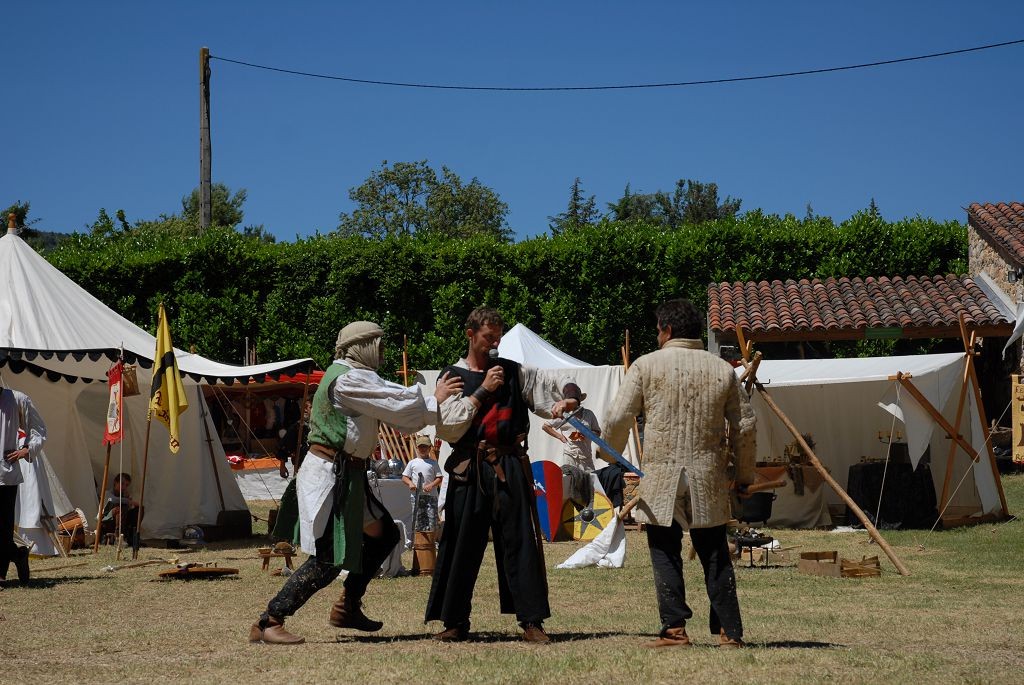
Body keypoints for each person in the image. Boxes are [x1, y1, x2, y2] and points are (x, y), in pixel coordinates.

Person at [249, 321, 462, 645]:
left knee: (384, 535)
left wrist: (427, 406)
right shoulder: (346, 379)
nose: (382, 351)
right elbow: (395, 402)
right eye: (378, 345)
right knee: (330, 556)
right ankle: (269, 620)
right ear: (361, 346)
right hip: (331, 476)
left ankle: (348, 606)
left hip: (348, 475)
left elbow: (393, 404)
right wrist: (434, 399)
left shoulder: (358, 376)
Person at [602, 299, 756, 649]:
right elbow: (745, 425)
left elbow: (617, 417)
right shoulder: (722, 369)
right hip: (707, 474)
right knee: (714, 551)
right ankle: (729, 632)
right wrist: (745, 475)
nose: (657, 336)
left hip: (662, 473)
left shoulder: (646, 365)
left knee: (665, 549)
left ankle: (674, 630)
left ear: (668, 330)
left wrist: (608, 453)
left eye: (658, 330)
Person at [426, 307, 579, 644]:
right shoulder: (452, 376)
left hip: (509, 464)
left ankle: (532, 621)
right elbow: (449, 428)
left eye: (498, 337)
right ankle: (454, 621)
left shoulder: (514, 371)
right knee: (461, 543)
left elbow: (553, 388)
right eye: (488, 337)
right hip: (470, 467)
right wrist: (482, 390)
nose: (495, 343)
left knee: (520, 540)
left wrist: (567, 398)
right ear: (470, 334)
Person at [0, 387, 46, 589]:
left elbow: (38, 428)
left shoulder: (17, 399)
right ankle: (18, 554)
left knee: (3, 528)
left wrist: (27, 449)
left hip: (5, 475)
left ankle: (2, 573)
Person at [541, 386, 601, 471]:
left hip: (586, 456)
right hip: (570, 455)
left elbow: (597, 432)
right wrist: (560, 437)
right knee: (570, 478)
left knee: (591, 478)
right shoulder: (563, 414)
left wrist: (587, 434)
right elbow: (545, 426)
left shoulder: (589, 414)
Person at [402, 434, 442, 534]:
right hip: (416, 497)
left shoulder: (433, 463)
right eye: (421, 447)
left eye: (425, 447)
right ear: (417, 448)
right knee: (418, 522)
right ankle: (419, 541)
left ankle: (431, 540)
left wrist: (431, 485)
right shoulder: (412, 463)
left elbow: (439, 478)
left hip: (431, 496)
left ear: (429, 448)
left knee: (431, 521)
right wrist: (410, 483)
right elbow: (404, 477)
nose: (423, 449)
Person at [101, 472, 143, 544]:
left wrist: (129, 500)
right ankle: (118, 536)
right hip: (107, 520)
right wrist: (128, 501)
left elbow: (128, 510)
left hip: (122, 521)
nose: (124, 487)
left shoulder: (124, 496)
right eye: (122, 484)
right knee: (119, 507)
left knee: (138, 510)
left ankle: (132, 536)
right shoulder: (107, 493)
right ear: (115, 482)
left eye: (126, 485)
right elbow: (112, 500)